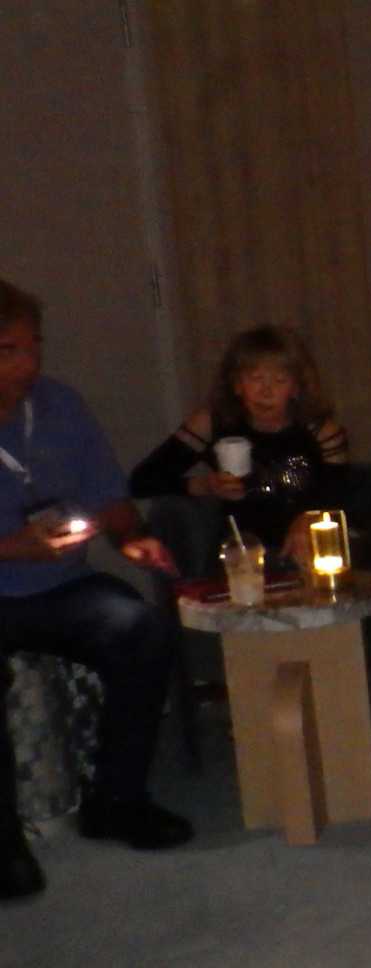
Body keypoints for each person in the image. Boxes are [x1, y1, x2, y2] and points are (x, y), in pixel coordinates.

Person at [0, 278, 189, 900]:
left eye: (34, 346)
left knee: (141, 629)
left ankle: (117, 799)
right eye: (9, 350)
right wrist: (14, 547)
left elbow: (110, 497)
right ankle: (4, 843)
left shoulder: (60, 405)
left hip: (61, 585)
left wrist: (132, 538)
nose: (28, 363)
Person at [128, 324, 349, 571]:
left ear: (296, 388)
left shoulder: (320, 432)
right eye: (256, 379)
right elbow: (142, 481)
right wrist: (204, 485)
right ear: (237, 384)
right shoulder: (213, 423)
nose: (266, 392)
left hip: (308, 552)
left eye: (279, 380)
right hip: (240, 554)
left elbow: (342, 494)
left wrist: (310, 517)